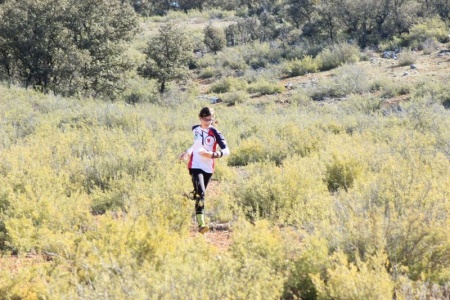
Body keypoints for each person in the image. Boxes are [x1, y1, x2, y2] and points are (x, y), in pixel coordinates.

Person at [179, 107, 230, 234]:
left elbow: (226, 151)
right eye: (205, 119)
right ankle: (202, 224)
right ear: (200, 118)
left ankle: (190, 196)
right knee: (201, 193)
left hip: (208, 167)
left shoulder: (215, 132)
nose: (208, 122)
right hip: (194, 165)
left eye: (210, 119)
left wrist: (212, 154)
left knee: (198, 193)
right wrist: (188, 152)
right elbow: (196, 145)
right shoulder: (195, 129)